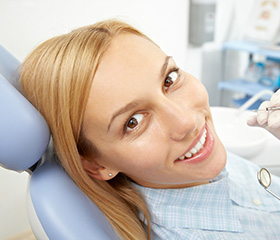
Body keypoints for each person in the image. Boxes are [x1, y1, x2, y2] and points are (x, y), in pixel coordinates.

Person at [19, 19, 280, 240]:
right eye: (133, 122)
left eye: (169, 79)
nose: (187, 121)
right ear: (96, 165)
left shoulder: (192, 168)